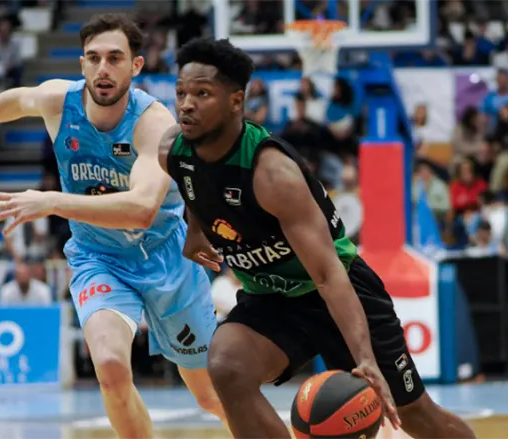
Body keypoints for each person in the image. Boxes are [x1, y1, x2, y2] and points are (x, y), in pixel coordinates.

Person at [0, 14, 225, 439]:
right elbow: (19, 99)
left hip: (165, 256)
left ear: (136, 66)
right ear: (81, 64)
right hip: (99, 257)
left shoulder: (154, 123)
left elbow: (142, 209)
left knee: (209, 396)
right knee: (110, 367)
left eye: (115, 58)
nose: (103, 69)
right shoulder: (61, 101)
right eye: (93, 58)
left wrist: (52, 202)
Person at [161, 37, 477, 439]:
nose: (186, 104)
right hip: (272, 299)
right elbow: (196, 186)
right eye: (181, 92)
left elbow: (329, 274)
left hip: (339, 290)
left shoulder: (273, 175)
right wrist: (195, 229)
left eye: (202, 93)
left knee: (416, 416)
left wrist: (366, 360)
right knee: (227, 366)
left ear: (236, 101)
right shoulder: (172, 151)